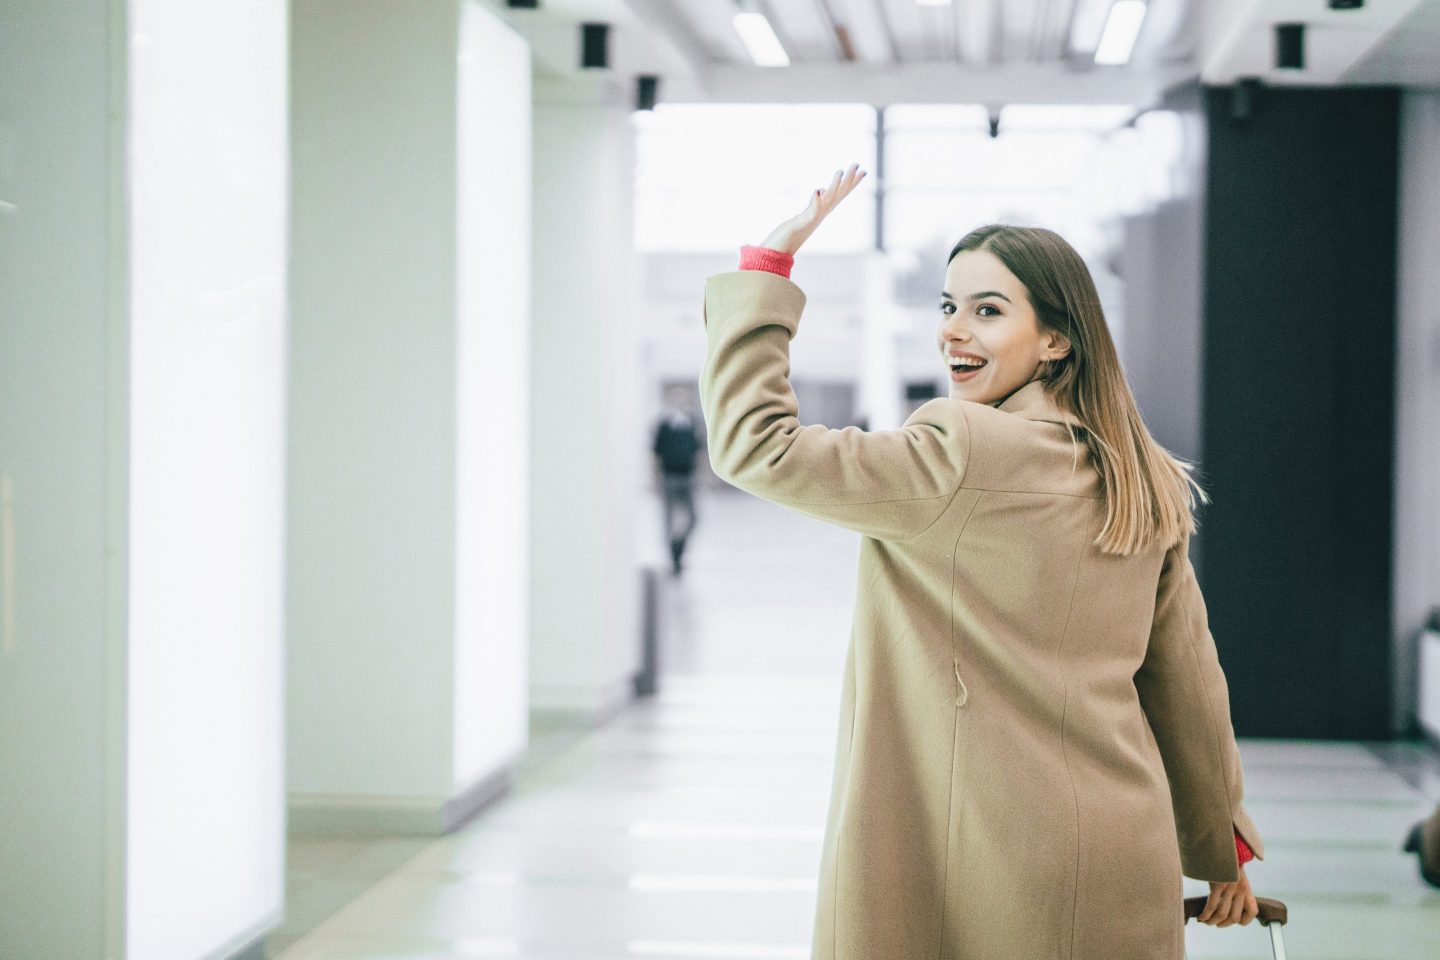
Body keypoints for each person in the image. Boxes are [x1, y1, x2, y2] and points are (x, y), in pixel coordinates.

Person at [698, 163, 1263, 960]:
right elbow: (1187, 683)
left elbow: (757, 446)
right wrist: (1220, 852)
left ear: (1055, 338)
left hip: (982, 862)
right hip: (1118, 854)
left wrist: (769, 271)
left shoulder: (960, 451)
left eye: (988, 311)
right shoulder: (1143, 476)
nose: (953, 330)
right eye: (948, 307)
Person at [652, 396, 701, 574]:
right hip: (669, 477)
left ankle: (678, 549)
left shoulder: (690, 423)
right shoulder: (664, 426)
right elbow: (656, 452)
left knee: (694, 518)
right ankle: (673, 559)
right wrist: (656, 481)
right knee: (669, 520)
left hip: (687, 476)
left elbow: (698, 450)